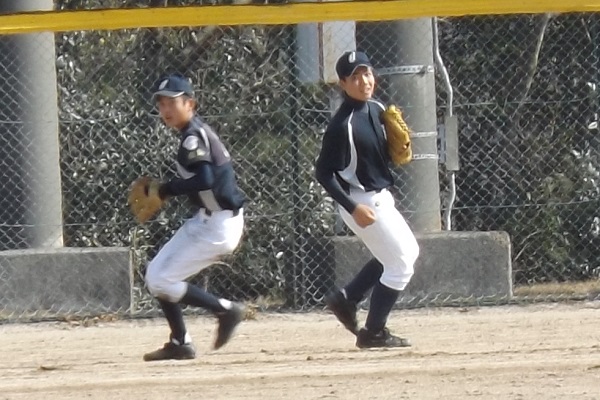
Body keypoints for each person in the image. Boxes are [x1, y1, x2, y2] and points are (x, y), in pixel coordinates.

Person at [315, 51, 420, 349]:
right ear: (343, 83)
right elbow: (323, 173)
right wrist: (352, 207)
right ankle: (373, 332)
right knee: (400, 265)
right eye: (355, 77)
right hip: (361, 201)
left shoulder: (377, 108)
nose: (364, 81)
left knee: (407, 253)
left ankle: (347, 298)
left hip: (381, 197)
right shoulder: (342, 126)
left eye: (367, 73)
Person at [142, 73, 246, 361]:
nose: (165, 110)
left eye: (172, 103)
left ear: (190, 104)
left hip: (219, 227)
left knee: (162, 280)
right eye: (161, 104)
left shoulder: (192, 138)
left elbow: (205, 179)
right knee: (156, 274)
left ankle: (225, 310)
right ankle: (180, 341)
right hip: (207, 220)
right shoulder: (194, 132)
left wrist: (166, 189)